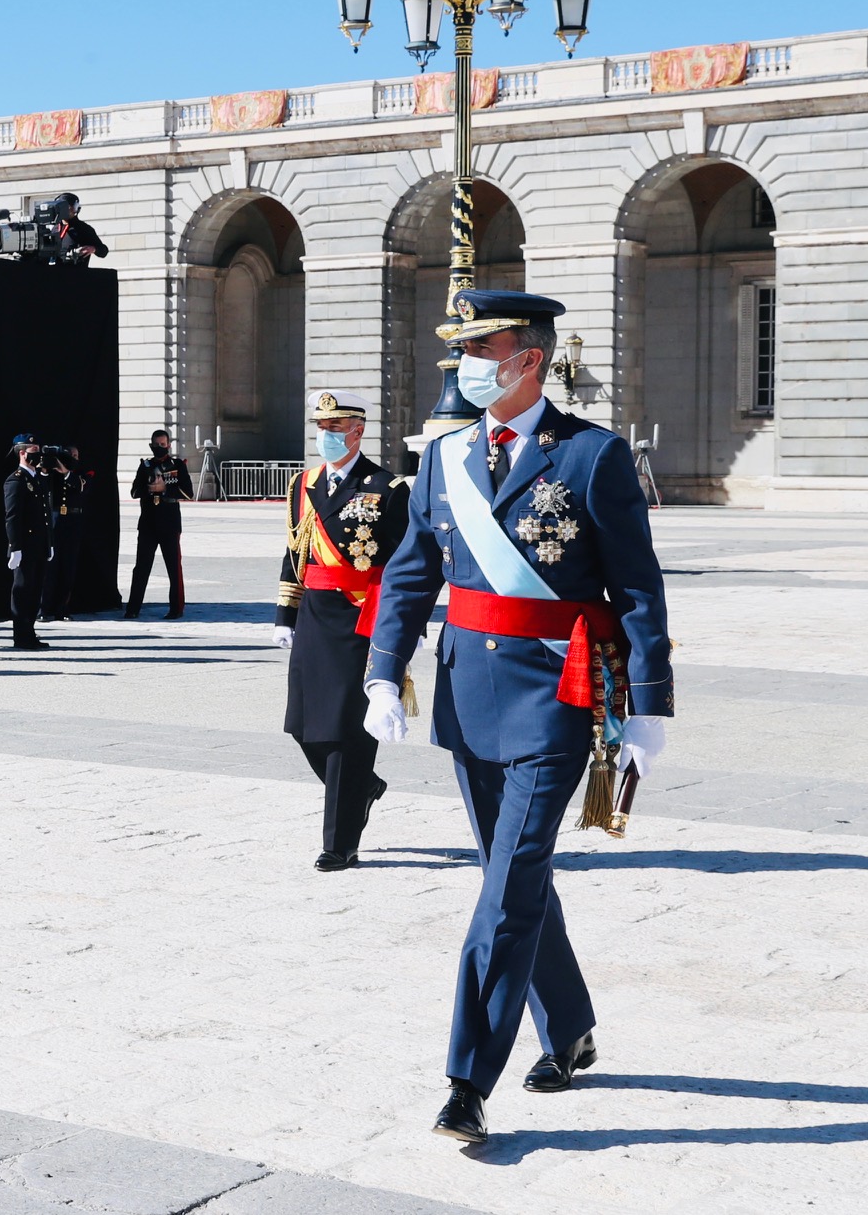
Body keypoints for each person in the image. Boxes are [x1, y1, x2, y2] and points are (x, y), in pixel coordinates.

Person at [363, 289, 672, 1145]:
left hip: (555, 699)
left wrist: (647, 708)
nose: (462, 362)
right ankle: (569, 1026)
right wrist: (384, 672)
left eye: (479, 346)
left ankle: (467, 1079)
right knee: (516, 876)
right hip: (467, 699)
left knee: (505, 889)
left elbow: (638, 589)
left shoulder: (590, 455)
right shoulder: (443, 456)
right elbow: (410, 571)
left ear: (527, 359)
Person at [271, 391, 411, 872]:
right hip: (314, 613)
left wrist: (396, 633)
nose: (325, 436)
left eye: (335, 428)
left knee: (346, 734)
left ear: (358, 430)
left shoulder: (387, 487)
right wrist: (284, 614)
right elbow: (297, 550)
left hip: (360, 618)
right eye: (320, 428)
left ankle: (340, 842)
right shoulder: (303, 483)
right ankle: (364, 788)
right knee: (303, 726)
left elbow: (400, 567)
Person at [124, 430, 195, 619]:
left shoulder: (177, 465)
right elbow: (134, 492)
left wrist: (165, 489)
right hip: (148, 523)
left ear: (169, 445)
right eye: (156, 445)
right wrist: (149, 488)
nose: (159, 448)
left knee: (173, 567)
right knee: (141, 567)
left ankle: (176, 609)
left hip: (169, 523)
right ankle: (132, 609)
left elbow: (188, 493)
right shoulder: (145, 465)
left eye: (163, 444)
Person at [2, 433, 53, 651]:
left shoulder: (38, 478)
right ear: (22, 453)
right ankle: (21, 635)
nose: (38, 455)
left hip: (39, 544)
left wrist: (49, 542)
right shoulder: (16, 480)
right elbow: (13, 516)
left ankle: (30, 632)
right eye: (33, 451)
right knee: (22, 591)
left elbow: (45, 514)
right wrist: (15, 547)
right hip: (24, 545)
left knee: (34, 591)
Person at [40, 445, 88, 622]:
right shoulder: (53, 473)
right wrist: (48, 470)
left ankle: (63, 608)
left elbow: (80, 486)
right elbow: (42, 486)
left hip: (73, 522)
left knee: (68, 568)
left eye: (76, 455)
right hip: (55, 519)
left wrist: (66, 471)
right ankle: (44, 608)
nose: (74, 458)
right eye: (70, 455)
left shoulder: (82, 472)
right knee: (50, 567)